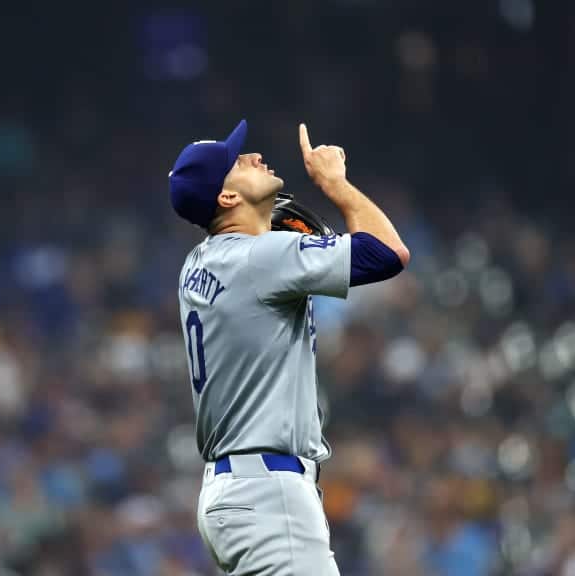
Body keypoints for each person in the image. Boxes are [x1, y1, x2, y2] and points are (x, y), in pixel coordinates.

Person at [168, 119, 410, 574]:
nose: (253, 157)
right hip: (268, 492)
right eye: (237, 162)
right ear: (226, 197)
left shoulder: (196, 264)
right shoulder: (262, 258)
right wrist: (335, 185)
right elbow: (387, 253)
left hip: (231, 495)